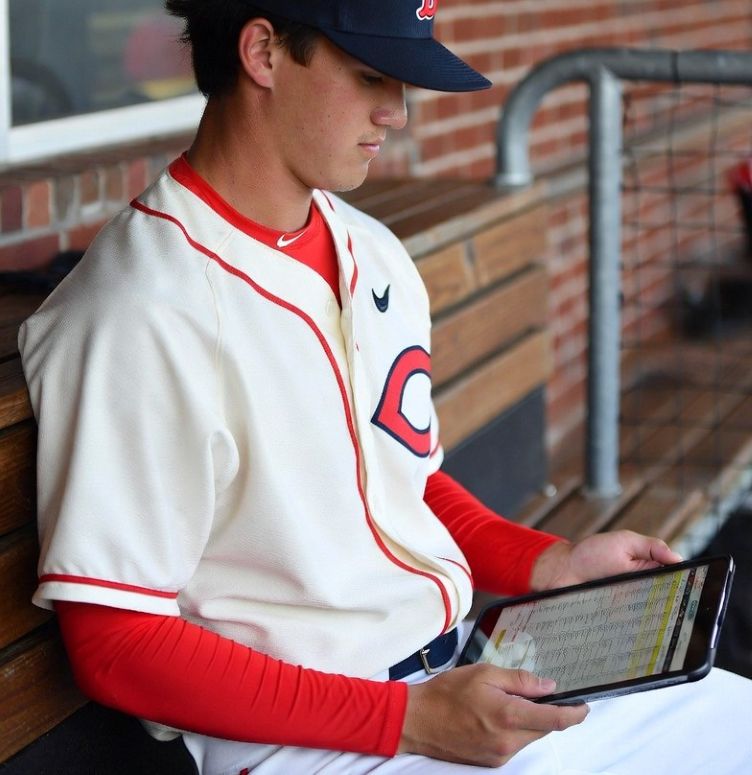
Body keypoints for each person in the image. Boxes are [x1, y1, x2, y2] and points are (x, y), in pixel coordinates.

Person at [18, 2, 752, 773]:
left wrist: (550, 564)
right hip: (313, 742)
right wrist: (409, 720)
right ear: (263, 53)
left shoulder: (372, 249)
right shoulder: (135, 311)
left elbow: (411, 483)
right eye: (371, 75)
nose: (395, 112)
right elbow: (116, 644)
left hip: (456, 680)